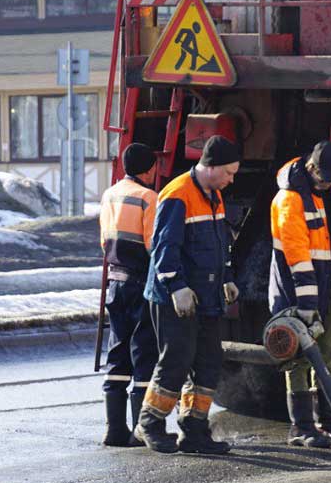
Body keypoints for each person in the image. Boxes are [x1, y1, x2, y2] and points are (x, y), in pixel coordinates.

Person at [134, 135, 241, 455]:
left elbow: (221, 243)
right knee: (176, 360)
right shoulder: (178, 194)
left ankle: (194, 430)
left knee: (208, 362)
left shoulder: (214, 195)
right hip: (174, 296)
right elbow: (164, 247)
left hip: (206, 295)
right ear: (210, 167)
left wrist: (228, 276)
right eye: (229, 173)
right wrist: (177, 286)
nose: (231, 179)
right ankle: (149, 423)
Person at [269, 140, 331, 448]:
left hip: (324, 280)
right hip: (298, 288)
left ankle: (328, 424)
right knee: (298, 357)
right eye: (325, 175)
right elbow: (297, 257)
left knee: (327, 352)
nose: (330, 181)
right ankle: (302, 427)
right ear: (311, 168)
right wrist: (306, 306)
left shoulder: (322, 192)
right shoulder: (290, 200)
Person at [98, 143, 159, 447]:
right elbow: (153, 246)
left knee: (117, 351)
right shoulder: (149, 198)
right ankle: (140, 430)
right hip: (140, 283)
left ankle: (114, 430)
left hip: (115, 282)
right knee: (143, 351)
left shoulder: (110, 194)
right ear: (149, 169)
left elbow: (103, 240)